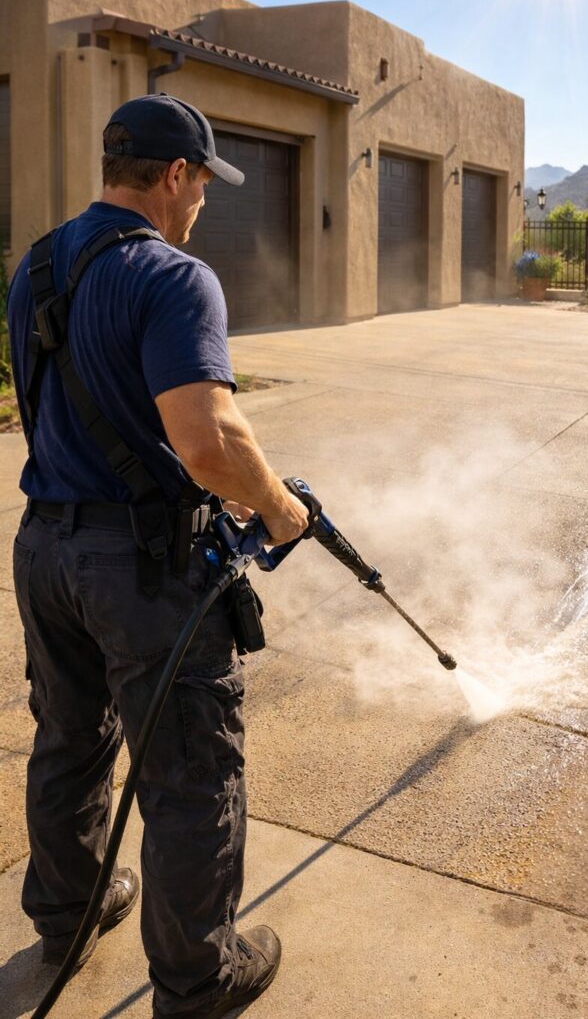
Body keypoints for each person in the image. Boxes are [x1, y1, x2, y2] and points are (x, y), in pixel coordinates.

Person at [8, 93, 308, 1019]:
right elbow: (208, 444)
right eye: (203, 186)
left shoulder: (36, 264)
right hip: (138, 567)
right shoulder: (174, 277)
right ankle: (196, 977)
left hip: (45, 546)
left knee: (69, 739)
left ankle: (69, 914)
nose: (204, 204)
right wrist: (282, 508)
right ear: (175, 175)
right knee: (189, 770)